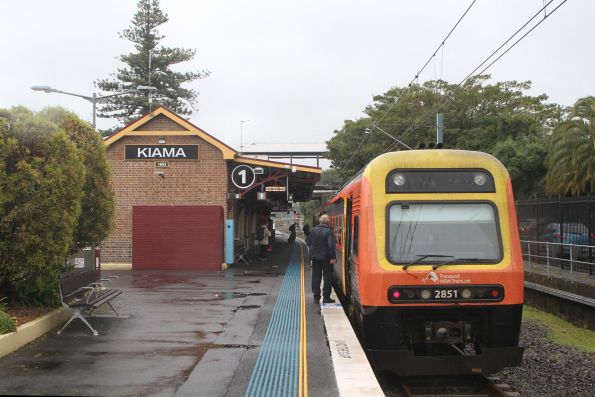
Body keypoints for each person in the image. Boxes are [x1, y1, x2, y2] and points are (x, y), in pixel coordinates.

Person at [307, 214, 336, 303]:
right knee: (327, 277)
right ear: (328, 222)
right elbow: (331, 245)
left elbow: (308, 242)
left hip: (315, 258)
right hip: (326, 258)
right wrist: (332, 257)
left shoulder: (313, 230)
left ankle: (316, 297)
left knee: (316, 277)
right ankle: (326, 297)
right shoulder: (329, 231)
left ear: (320, 221)